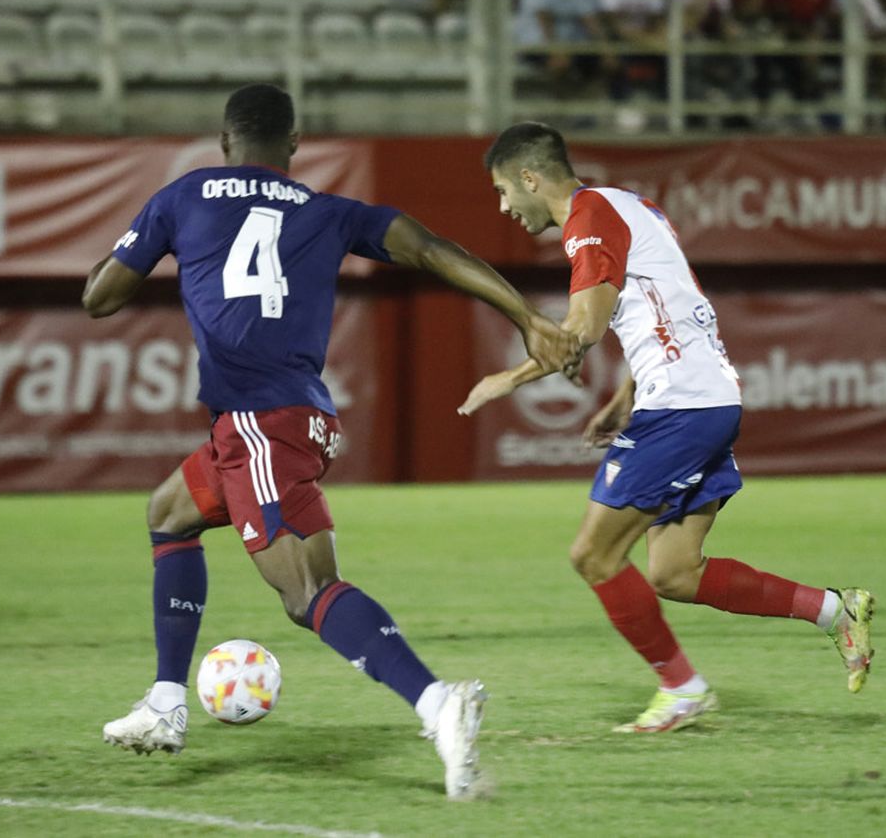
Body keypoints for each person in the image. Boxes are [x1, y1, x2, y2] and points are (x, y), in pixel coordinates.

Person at [84, 84, 578, 799]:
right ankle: (165, 703)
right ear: (293, 145)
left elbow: (99, 298)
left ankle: (437, 703)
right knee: (170, 512)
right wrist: (527, 316)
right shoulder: (328, 210)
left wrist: (150, 238)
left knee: (306, 594)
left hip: (257, 422)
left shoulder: (183, 195)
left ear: (224, 142)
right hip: (296, 422)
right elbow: (431, 250)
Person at [457, 122, 875, 734]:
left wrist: (508, 378)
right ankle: (836, 611)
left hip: (683, 406)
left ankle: (682, 689)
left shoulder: (589, 217)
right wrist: (626, 397)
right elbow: (667, 306)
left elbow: (583, 328)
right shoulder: (628, 204)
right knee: (674, 572)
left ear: (529, 178)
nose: (503, 207)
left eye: (502, 191)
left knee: (594, 555)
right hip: (702, 398)